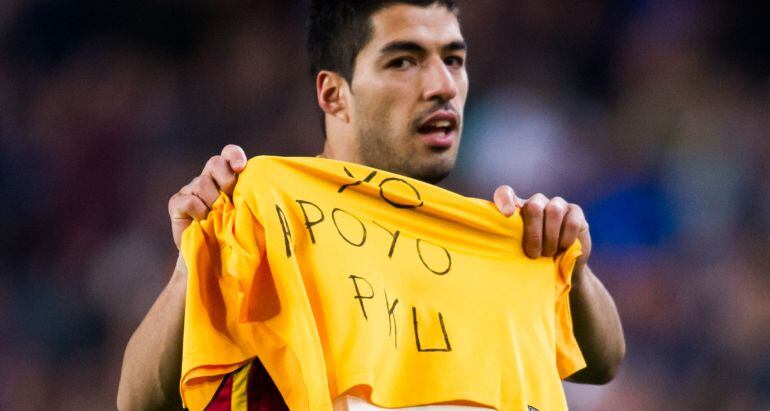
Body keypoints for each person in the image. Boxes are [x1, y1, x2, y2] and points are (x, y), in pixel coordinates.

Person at [117, 1, 625, 409]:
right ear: (333, 94)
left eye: (453, 59)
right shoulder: (270, 219)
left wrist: (572, 269)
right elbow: (138, 403)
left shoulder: (490, 234)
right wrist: (194, 265)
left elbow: (603, 361)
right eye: (403, 61)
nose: (442, 86)